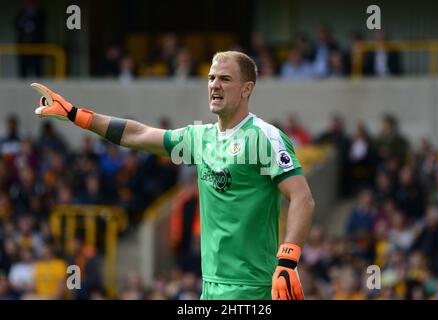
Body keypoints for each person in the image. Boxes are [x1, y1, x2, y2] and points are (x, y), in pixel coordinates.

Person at [30, 50, 315, 300]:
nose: (215, 84)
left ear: (246, 89)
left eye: (225, 79)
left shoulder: (264, 138)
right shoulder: (199, 138)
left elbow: (302, 198)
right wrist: (77, 115)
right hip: (211, 287)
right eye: (211, 78)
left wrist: (288, 261)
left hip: (254, 288)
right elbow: (138, 134)